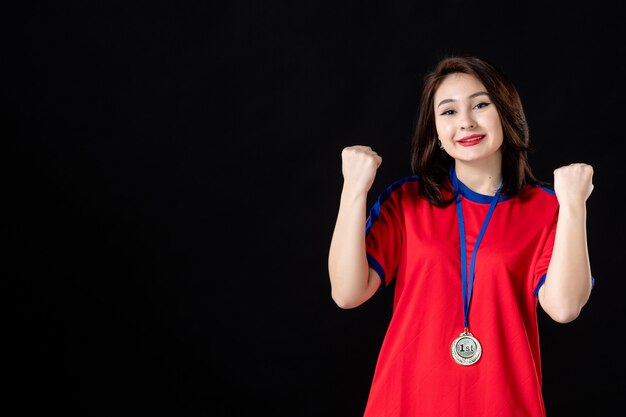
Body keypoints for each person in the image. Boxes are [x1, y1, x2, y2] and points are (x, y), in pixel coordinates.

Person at [327, 55, 594, 417]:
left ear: (505, 113)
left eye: (480, 105)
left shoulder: (546, 208)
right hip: (405, 402)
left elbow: (563, 308)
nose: (466, 122)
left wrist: (575, 205)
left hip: (502, 405)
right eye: (448, 112)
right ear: (435, 131)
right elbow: (347, 293)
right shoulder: (407, 201)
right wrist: (353, 191)